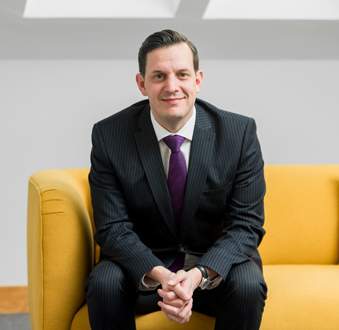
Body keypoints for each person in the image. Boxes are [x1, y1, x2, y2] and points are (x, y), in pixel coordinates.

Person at [85, 29, 267, 330]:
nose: (172, 87)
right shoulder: (109, 136)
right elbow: (112, 227)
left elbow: (246, 225)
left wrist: (195, 276)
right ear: (142, 84)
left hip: (212, 271)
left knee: (248, 283)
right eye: (159, 76)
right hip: (145, 269)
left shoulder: (239, 134)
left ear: (198, 80)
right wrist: (162, 276)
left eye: (182, 74)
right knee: (103, 282)